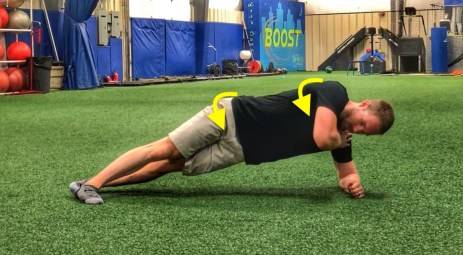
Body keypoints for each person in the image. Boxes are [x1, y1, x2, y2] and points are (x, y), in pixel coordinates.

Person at [70, 80, 394, 205]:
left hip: (239, 150)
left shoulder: (342, 136)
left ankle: (97, 185)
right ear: (363, 105)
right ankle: (94, 183)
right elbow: (322, 136)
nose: (359, 131)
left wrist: (352, 183)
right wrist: (340, 139)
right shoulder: (336, 93)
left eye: (367, 133)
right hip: (232, 116)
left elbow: (346, 174)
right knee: (164, 148)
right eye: (364, 124)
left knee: (171, 165)